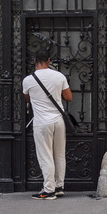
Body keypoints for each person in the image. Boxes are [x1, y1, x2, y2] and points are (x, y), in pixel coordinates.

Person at [23, 50, 72, 200]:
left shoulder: (28, 80)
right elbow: (68, 97)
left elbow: (28, 99)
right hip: (58, 121)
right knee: (59, 155)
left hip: (42, 122)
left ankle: (48, 189)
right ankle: (59, 186)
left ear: (34, 61)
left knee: (46, 156)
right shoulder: (59, 77)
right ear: (49, 61)